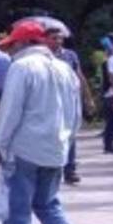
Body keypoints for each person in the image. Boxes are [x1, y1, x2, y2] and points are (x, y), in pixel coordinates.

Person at [0, 21, 88, 224]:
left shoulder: (21, 67)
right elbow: (76, 115)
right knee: (49, 206)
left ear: (23, 43)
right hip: (57, 150)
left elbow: (10, 112)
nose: (10, 51)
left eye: (12, 45)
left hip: (25, 150)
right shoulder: (65, 68)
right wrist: (66, 144)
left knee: (16, 214)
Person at [46, 27, 93, 184]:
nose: (57, 41)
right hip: (49, 101)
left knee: (70, 134)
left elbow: (79, 76)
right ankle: (53, 167)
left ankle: (70, 169)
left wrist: (88, 98)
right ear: (46, 39)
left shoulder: (70, 55)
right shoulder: (43, 57)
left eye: (60, 38)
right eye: (53, 38)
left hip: (69, 100)